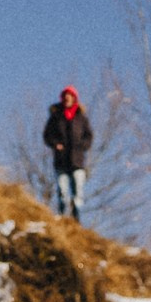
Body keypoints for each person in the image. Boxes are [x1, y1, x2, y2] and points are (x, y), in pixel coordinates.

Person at [43, 86, 93, 222]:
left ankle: (76, 216)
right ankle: (62, 214)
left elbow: (88, 136)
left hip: (77, 161)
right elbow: (47, 135)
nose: (67, 98)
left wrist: (82, 146)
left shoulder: (81, 118)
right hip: (61, 160)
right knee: (62, 190)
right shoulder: (55, 117)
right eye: (65, 96)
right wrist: (55, 144)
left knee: (78, 189)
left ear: (74, 98)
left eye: (70, 96)